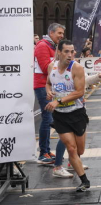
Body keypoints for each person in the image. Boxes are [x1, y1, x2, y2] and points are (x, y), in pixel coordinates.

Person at [45, 40, 90, 192]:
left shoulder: (76, 68)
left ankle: (77, 161)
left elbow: (79, 92)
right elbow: (48, 83)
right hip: (60, 116)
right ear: (58, 52)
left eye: (72, 52)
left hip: (77, 113)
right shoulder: (52, 67)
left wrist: (58, 101)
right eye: (66, 52)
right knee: (71, 149)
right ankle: (84, 181)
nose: (70, 55)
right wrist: (48, 91)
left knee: (79, 150)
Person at [34, 23, 65, 164]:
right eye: (59, 33)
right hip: (42, 86)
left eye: (62, 33)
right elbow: (47, 67)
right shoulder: (42, 46)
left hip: (48, 86)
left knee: (49, 118)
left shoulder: (51, 46)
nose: (62, 36)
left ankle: (46, 150)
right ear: (51, 33)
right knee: (47, 118)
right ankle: (42, 153)